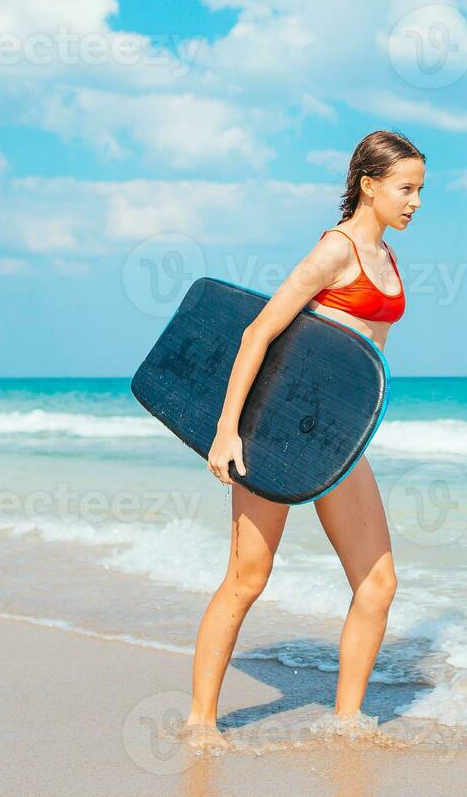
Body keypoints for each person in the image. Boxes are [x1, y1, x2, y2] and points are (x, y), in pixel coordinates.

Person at [184, 129, 425, 750]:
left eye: (421, 190)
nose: (416, 201)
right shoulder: (334, 252)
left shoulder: (388, 255)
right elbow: (257, 334)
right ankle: (200, 723)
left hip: (337, 439)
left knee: (378, 583)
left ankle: (346, 721)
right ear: (369, 186)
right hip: (275, 430)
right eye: (406, 188)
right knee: (247, 577)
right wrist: (226, 432)